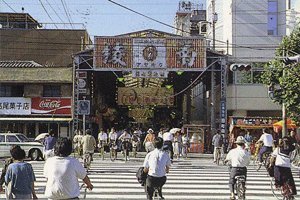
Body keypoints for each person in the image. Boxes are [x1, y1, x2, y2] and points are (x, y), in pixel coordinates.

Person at [224, 136, 250, 200]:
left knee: (231, 181)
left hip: (235, 169)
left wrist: (225, 161)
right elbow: (248, 161)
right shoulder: (245, 152)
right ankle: (243, 187)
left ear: (236, 144)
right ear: (243, 144)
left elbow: (227, 159)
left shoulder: (232, 151)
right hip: (243, 169)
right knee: (243, 180)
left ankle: (232, 194)